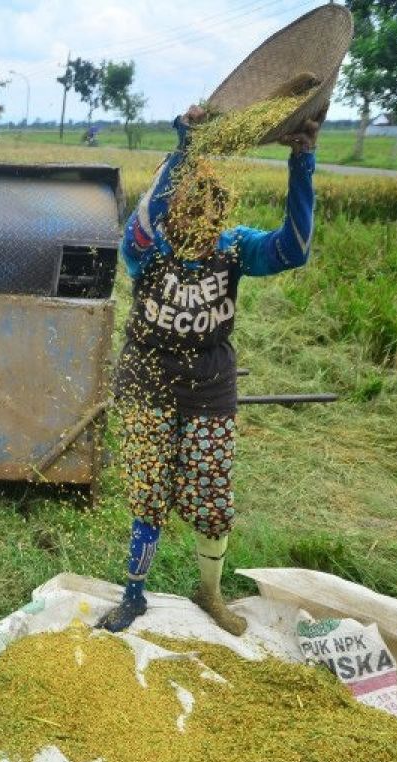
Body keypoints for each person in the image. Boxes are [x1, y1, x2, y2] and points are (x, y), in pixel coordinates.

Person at [96, 104, 320, 636]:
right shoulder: (145, 249)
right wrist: (187, 145)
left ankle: (210, 593)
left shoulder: (234, 248)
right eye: (190, 215)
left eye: (211, 217)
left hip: (210, 385)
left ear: (221, 216)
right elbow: (147, 214)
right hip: (148, 380)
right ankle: (133, 596)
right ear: (175, 215)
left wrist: (302, 161)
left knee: (212, 499)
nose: (202, 226)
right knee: (149, 495)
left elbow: (294, 249)